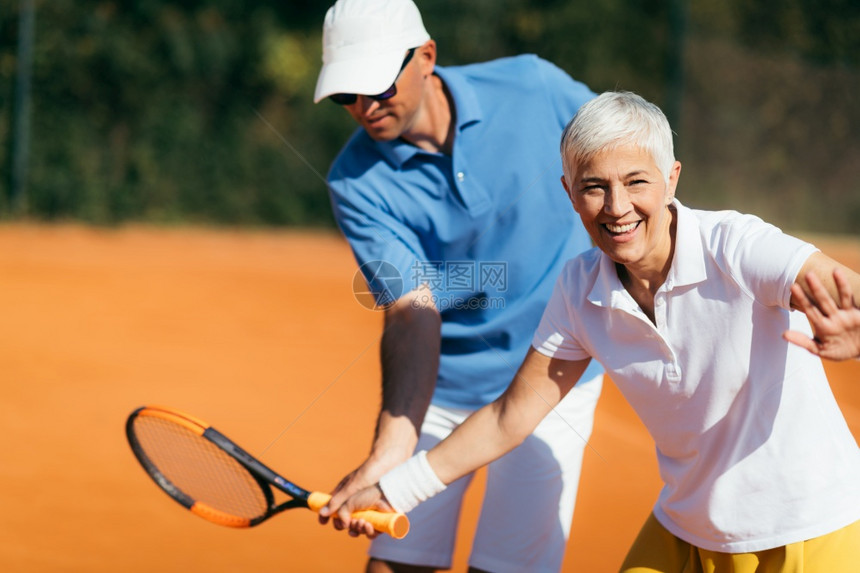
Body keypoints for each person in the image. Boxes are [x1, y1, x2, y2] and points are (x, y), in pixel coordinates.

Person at [330, 91, 860, 572]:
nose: (617, 207)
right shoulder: (580, 288)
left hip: (811, 528)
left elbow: (837, 286)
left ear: (671, 178)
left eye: (635, 182)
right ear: (569, 192)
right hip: (690, 527)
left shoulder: (737, 246)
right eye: (594, 187)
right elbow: (509, 417)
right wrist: (394, 488)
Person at [312, 0, 606, 571]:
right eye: (346, 95)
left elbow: (629, 157)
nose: (364, 107)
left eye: (376, 85)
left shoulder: (533, 86)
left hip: (557, 375)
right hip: (443, 387)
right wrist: (391, 452)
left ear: (426, 57)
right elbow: (411, 309)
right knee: (395, 566)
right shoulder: (354, 182)